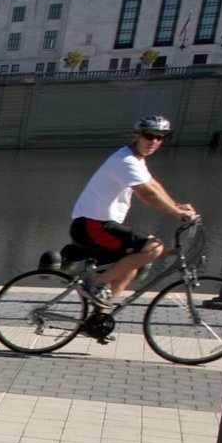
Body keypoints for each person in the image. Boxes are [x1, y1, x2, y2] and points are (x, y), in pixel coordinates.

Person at [69, 114, 199, 327]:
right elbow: (147, 194)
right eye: (149, 136)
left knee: (129, 267)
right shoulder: (125, 161)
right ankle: (94, 284)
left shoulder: (136, 160)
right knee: (154, 248)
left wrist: (176, 206)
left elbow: (153, 185)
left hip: (101, 225)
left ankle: (96, 321)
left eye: (160, 138)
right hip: (92, 225)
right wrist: (177, 215)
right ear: (136, 136)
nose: (154, 142)